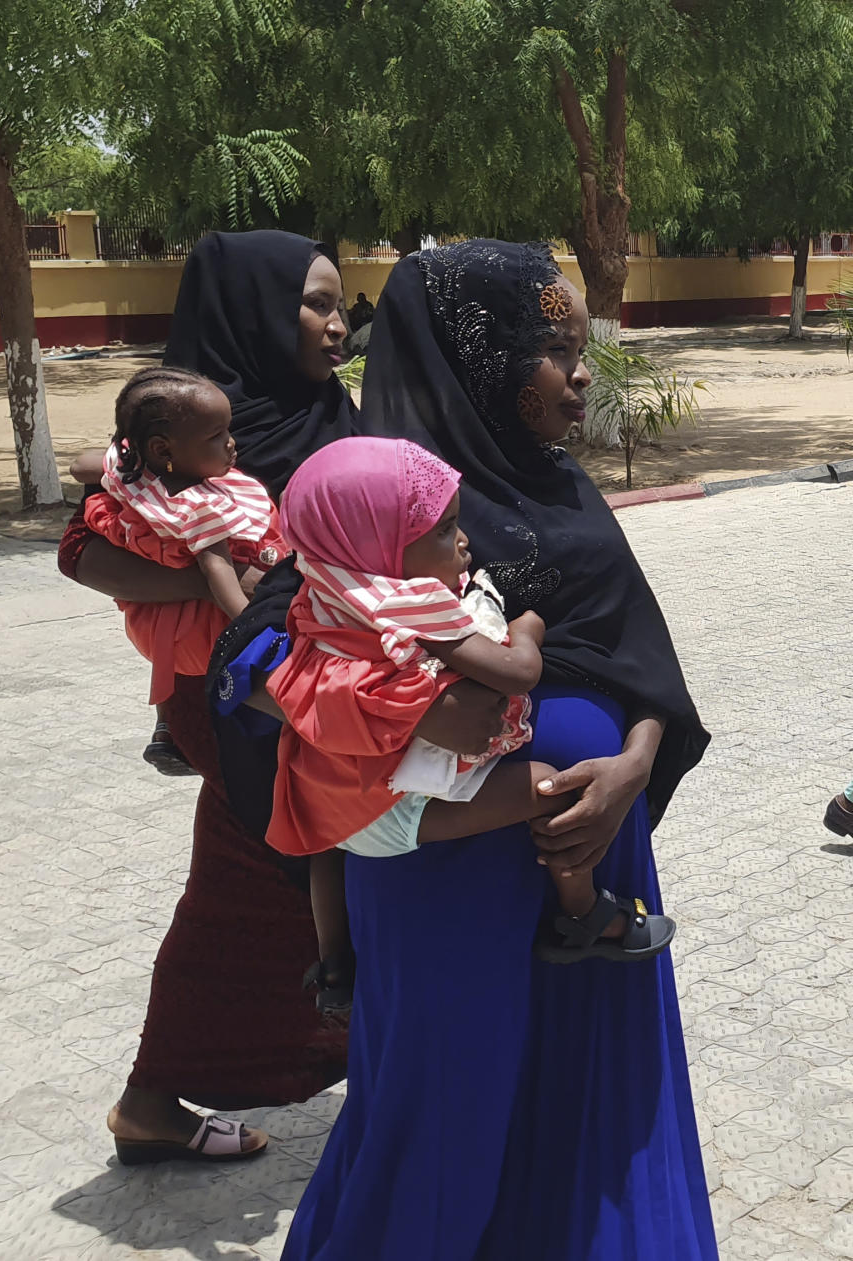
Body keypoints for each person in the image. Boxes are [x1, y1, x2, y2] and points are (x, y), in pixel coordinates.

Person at [279, 240, 717, 1259]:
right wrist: (397, 710)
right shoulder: (370, 499)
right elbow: (263, 651)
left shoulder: (562, 487)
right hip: (442, 876)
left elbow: (636, 658)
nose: (580, 374)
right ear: (479, 360)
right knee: (438, 1125)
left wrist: (634, 767)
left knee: (589, 1110)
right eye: (552, 350)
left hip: (594, 849)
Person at [59, 230, 365, 1163]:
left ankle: (176, 1091)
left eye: (339, 302)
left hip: (303, 686)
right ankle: (155, 1097)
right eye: (315, 302)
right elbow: (84, 553)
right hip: (231, 695)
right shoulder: (193, 434)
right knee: (262, 875)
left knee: (280, 878)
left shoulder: (321, 410)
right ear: (259, 312)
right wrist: (218, 578)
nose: (336, 321)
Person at [268, 434, 676, 971]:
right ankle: (587, 914)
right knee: (551, 790)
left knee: (331, 854)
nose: (464, 541)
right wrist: (526, 629)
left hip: (333, 816)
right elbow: (517, 674)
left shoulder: (327, 584)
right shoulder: (415, 604)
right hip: (399, 810)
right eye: (442, 530)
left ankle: (336, 966)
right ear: (380, 544)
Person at [82, 366, 288, 775]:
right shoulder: (201, 508)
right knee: (270, 694)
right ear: (163, 450)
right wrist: (255, 625)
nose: (232, 444)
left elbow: (81, 466)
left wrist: (119, 464)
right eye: (216, 436)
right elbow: (219, 576)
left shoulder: (138, 477)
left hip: (165, 638)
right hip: (203, 633)